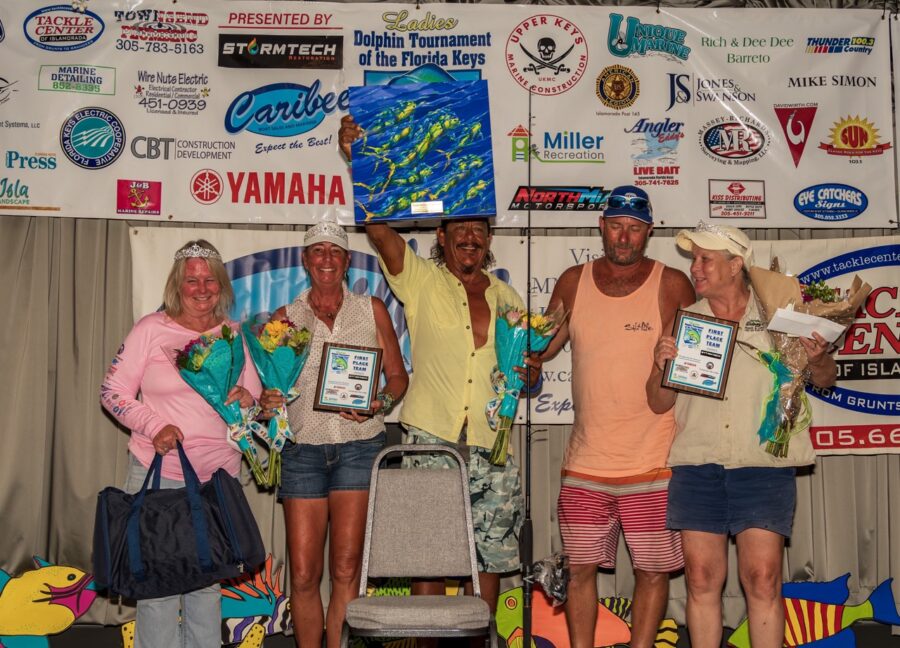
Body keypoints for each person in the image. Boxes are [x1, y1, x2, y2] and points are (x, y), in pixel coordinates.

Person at [338, 115, 540, 614]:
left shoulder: (508, 296)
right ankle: (424, 641)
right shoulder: (421, 280)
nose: (470, 235)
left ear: (488, 240)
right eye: (460, 227)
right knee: (426, 560)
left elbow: (525, 368)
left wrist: (529, 374)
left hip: (493, 447)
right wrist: (358, 159)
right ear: (442, 235)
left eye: (479, 228)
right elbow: (377, 227)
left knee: (490, 561)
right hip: (429, 438)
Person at [646, 222, 837, 648]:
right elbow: (658, 403)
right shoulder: (686, 324)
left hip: (763, 467)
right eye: (693, 258)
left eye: (705, 259)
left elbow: (825, 379)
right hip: (698, 467)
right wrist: (661, 366)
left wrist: (818, 356)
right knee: (701, 579)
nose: (695, 267)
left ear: (736, 265)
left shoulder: (780, 318)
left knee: (764, 580)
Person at [540, 185, 695, 648]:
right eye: (616, 226)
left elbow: (699, 365)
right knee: (581, 569)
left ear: (648, 232)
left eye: (634, 228)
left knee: (652, 571)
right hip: (586, 461)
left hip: (654, 461)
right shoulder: (573, 280)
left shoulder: (673, 284)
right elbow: (541, 349)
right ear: (601, 226)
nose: (624, 237)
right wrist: (521, 360)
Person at [100, 239, 261, 648]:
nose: (202, 287)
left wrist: (249, 401)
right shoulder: (151, 329)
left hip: (218, 482)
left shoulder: (235, 336)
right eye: (192, 279)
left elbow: (253, 406)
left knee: (207, 585)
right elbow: (113, 392)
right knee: (158, 587)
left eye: (210, 279)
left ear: (222, 285)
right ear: (177, 284)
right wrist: (154, 425)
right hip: (161, 476)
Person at [258, 221, 408, 648]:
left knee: (346, 568)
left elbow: (397, 376)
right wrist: (269, 399)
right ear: (305, 260)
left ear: (346, 261)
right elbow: (270, 386)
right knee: (304, 573)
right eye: (317, 251)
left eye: (335, 251)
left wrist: (379, 403)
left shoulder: (372, 308)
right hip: (302, 449)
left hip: (359, 448)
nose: (326, 259)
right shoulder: (285, 318)